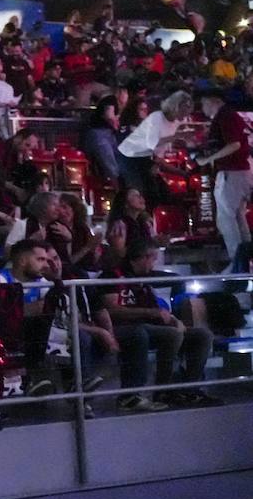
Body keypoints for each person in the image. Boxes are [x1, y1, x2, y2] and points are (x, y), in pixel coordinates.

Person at [101, 240, 218, 412]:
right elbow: (112, 311)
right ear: (142, 258)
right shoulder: (112, 276)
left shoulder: (143, 281)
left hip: (148, 326)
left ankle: (189, 389)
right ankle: (160, 391)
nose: (154, 264)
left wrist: (172, 319)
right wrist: (151, 313)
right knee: (164, 334)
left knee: (202, 335)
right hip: (122, 328)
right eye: (152, 259)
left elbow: (154, 309)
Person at [193, 88, 253, 263]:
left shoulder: (225, 116)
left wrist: (208, 159)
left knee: (226, 218)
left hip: (231, 173)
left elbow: (234, 144)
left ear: (214, 101)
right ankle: (246, 258)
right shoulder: (231, 116)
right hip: (240, 172)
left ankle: (238, 261)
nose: (203, 108)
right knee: (237, 217)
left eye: (204, 103)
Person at [117, 90, 193, 203]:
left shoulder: (173, 123)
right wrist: (178, 136)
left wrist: (183, 173)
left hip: (147, 161)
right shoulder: (155, 119)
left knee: (163, 193)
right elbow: (152, 144)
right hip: (130, 160)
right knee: (141, 192)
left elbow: (158, 155)